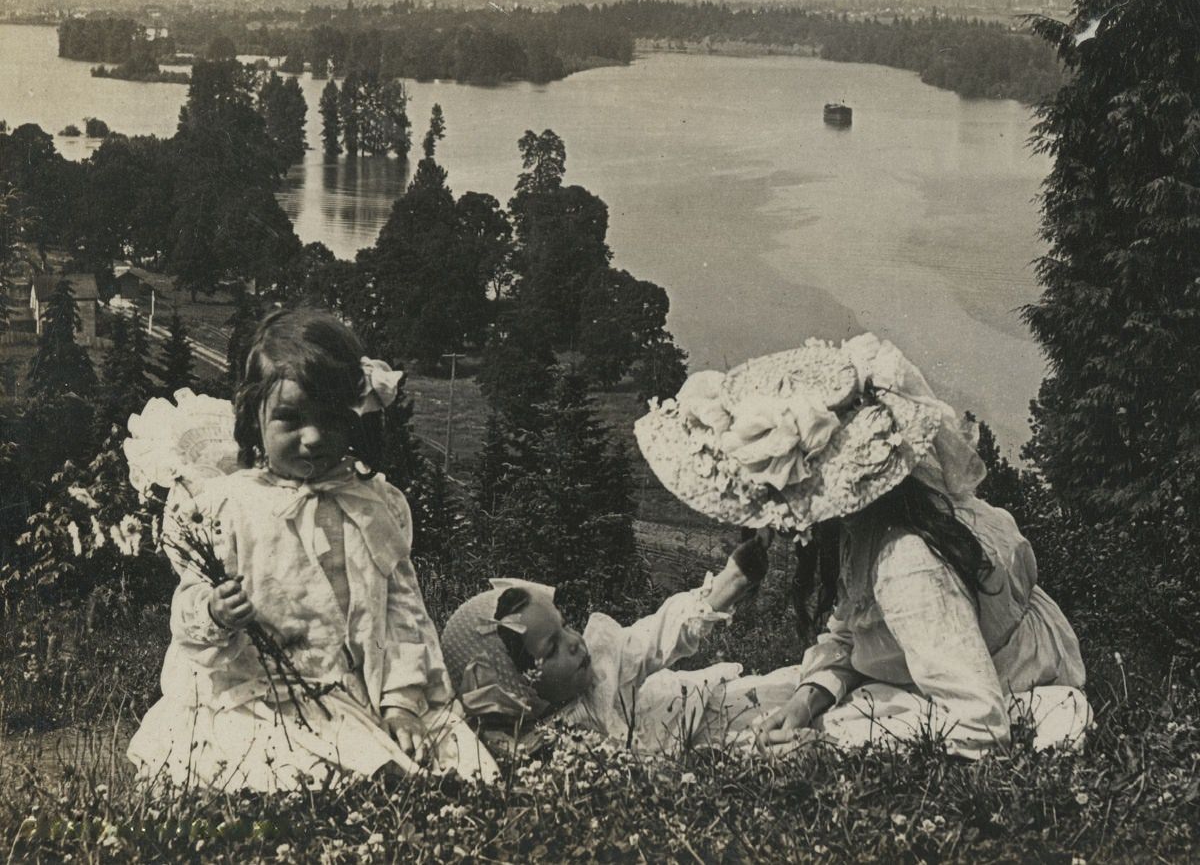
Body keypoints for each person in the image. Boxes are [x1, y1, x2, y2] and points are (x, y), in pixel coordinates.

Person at [633, 333, 1091, 759]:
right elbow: (854, 632)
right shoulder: (870, 527)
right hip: (944, 657)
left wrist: (828, 745)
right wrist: (806, 701)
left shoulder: (908, 567)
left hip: (998, 679)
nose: (779, 523)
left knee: (786, 728)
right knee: (767, 703)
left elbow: (982, 724)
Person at [125, 308, 497, 790]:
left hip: (350, 687)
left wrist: (402, 701)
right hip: (255, 691)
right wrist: (214, 612)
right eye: (290, 418)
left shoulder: (372, 505)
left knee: (433, 767)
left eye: (329, 417)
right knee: (272, 771)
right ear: (254, 416)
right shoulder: (226, 506)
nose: (314, 436)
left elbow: (403, 611)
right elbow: (189, 604)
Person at [439, 533, 771, 754]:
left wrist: (731, 582)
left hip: (681, 706)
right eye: (551, 648)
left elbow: (653, 637)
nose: (574, 642)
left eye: (566, 626)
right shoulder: (525, 749)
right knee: (761, 747)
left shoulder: (601, 670)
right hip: (676, 750)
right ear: (513, 689)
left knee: (770, 709)